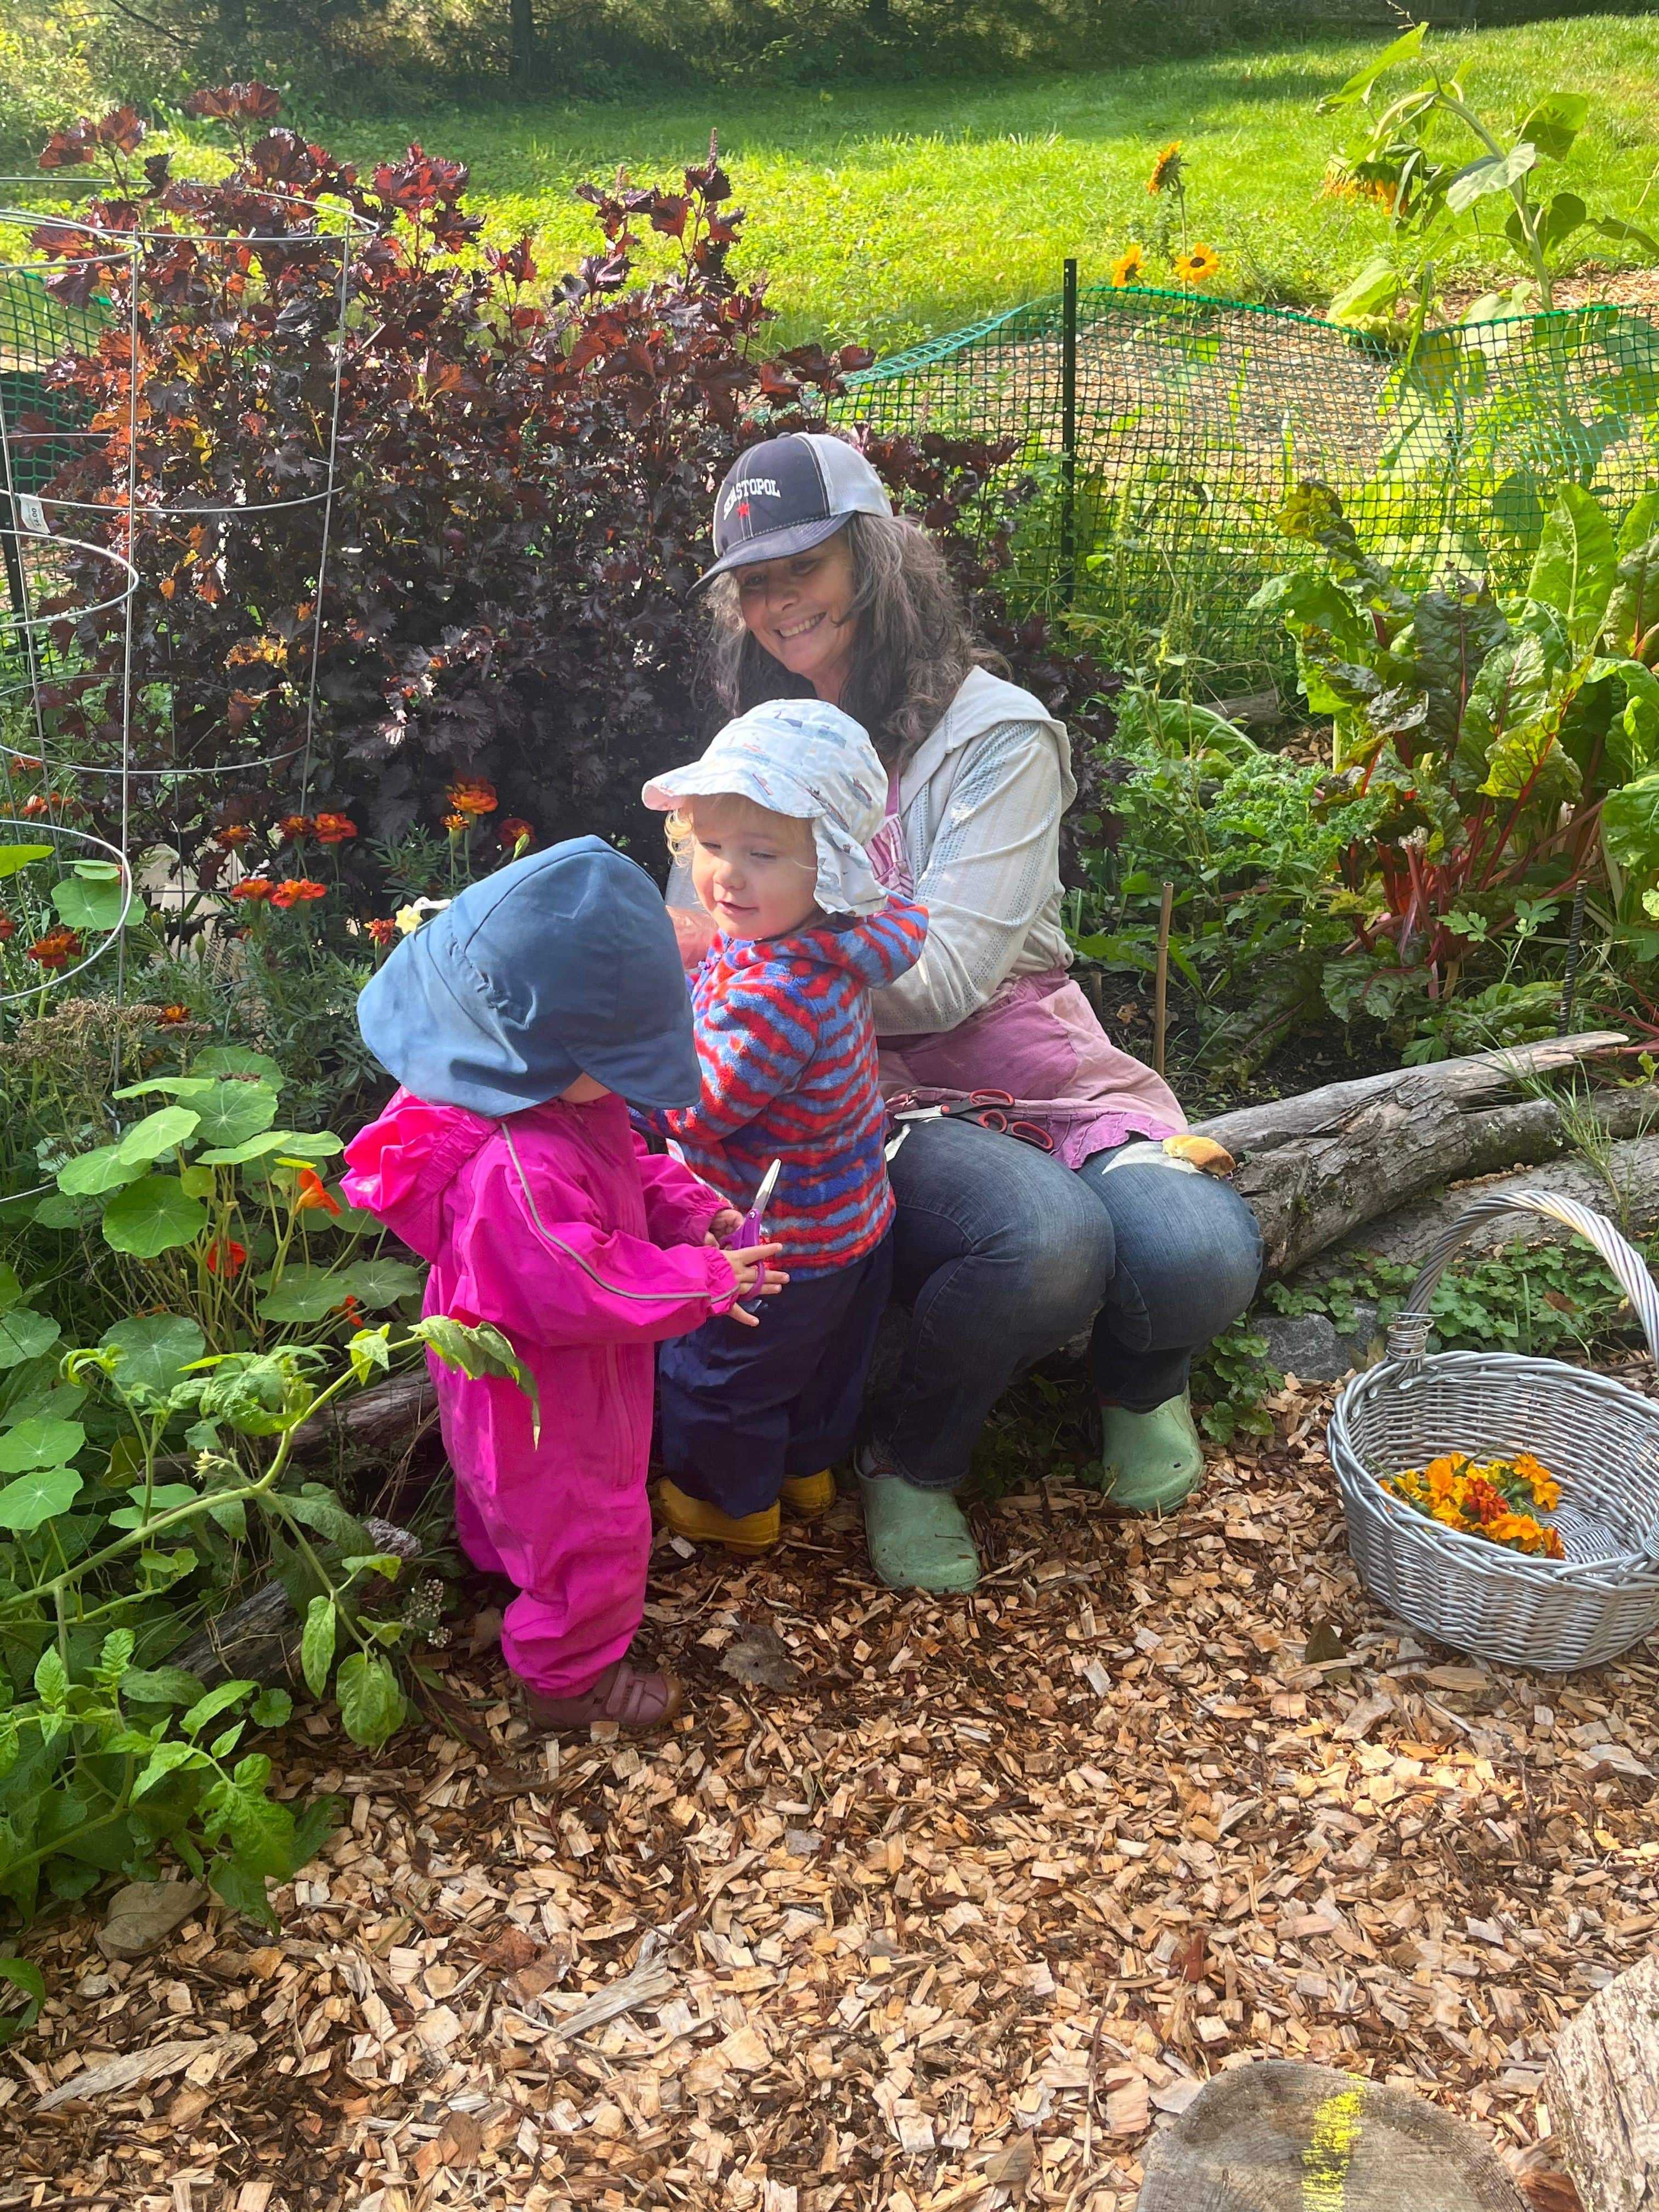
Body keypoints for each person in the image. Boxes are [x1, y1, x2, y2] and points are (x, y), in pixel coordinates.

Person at [673, 430, 1263, 1594]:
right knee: (1044, 1241)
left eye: (806, 565)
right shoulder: (752, 745)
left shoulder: (995, 735)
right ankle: (916, 1460)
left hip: (1026, 1057)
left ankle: (1140, 1380)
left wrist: (771, 956)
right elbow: (687, 921)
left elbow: (944, 981)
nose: (780, 601)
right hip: (849, 1089)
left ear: (878, 558)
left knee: (1195, 1247)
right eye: (755, 582)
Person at [340, 836, 784, 1731]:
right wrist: (702, 1277)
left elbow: (621, 1165)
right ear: (548, 1050)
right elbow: (579, 1279)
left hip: (504, 1372)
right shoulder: (518, 1165)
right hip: (554, 1391)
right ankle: (567, 1679)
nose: (622, 1084)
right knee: (589, 1528)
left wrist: (691, 1209)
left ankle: (512, 1583)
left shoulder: (527, 1096)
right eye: (614, 1064)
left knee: (514, 1506)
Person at [638, 698, 928, 1555]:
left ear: (832, 869)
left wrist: (635, 1067)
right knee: (824, 1366)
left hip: (767, 1239)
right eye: (712, 846)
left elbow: (701, 1106)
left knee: (724, 1376)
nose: (727, 875)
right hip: (848, 1221)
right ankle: (803, 1473)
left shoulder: (776, 993)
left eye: (763, 855)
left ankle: (728, 1509)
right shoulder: (830, 941)